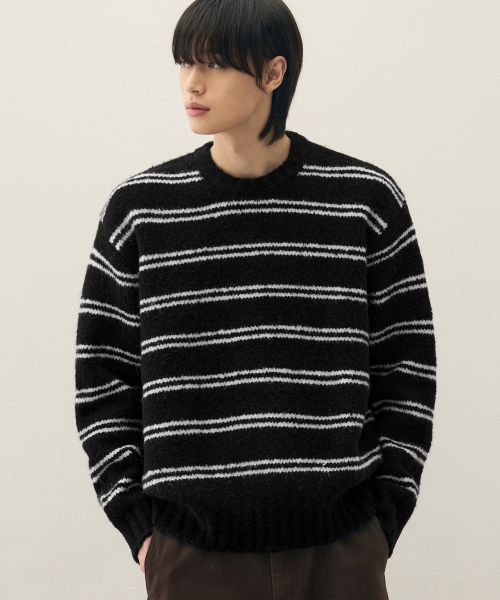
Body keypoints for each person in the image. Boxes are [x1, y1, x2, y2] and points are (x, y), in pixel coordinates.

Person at [74, 1, 437, 598]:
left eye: (214, 64)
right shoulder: (141, 211)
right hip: (189, 558)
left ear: (273, 73)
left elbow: (407, 366)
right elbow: (103, 380)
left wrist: (383, 519)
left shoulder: (363, 201)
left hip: (340, 553)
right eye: (185, 62)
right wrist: (142, 530)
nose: (192, 83)